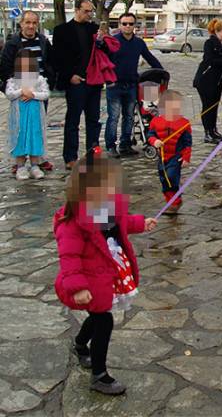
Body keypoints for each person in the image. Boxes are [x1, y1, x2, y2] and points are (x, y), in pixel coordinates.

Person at [54, 150, 157, 395]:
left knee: (100, 314)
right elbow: (69, 257)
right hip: (89, 280)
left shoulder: (108, 208)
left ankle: (80, 344)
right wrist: (78, 287)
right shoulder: (72, 222)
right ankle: (99, 375)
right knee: (104, 319)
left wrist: (142, 223)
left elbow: (122, 223)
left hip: (107, 274)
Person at [52, 0, 120, 169]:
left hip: (94, 81)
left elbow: (106, 53)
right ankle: (70, 157)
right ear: (76, 10)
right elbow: (57, 58)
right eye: (86, 11)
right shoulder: (62, 30)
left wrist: (101, 42)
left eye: (91, 11)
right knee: (73, 120)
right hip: (75, 81)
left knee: (93, 119)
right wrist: (70, 76)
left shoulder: (94, 29)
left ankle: (92, 152)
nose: (89, 14)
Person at [0, 11, 56, 174]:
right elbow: (4, 68)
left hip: (38, 91)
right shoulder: (13, 44)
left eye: (34, 23)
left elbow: (51, 63)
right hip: (19, 92)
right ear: (21, 24)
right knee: (20, 128)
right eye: (28, 22)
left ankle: (36, 161)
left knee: (36, 128)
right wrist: (19, 89)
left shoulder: (44, 41)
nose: (31, 26)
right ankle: (20, 163)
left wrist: (48, 83)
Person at [105, 13, 162, 157]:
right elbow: (104, 61)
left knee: (129, 116)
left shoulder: (139, 43)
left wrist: (161, 71)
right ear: (119, 25)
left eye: (130, 24)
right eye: (124, 23)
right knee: (114, 116)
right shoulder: (113, 41)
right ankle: (110, 145)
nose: (127, 26)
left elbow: (149, 57)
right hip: (114, 85)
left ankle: (125, 144)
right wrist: (107, 80)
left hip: (131, 84)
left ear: (134, 26)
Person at [5, 49, 50, 180]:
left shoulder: (39, 79)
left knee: (34, 136)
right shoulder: (13, 80)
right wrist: (21, 91)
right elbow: (9, 94)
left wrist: (33, 94)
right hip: (19, 117)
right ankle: (20, 166)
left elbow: (46, 93)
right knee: (20, 137)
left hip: (35, 116)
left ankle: (35, 165)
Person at [146, 90, 192, 214]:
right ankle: (170, 200)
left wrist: (186, 157)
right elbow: (150, 134)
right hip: (162, 157)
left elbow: (188, 143)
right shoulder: (156, 121)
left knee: (172, 176)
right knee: (163, 178)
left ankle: (175, 201)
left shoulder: (184, 123)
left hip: (175, 157)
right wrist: (154, 141)